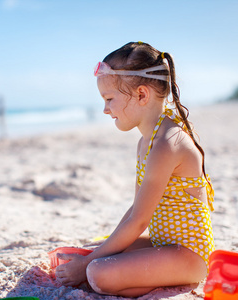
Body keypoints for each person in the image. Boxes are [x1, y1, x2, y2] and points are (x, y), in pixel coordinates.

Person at [55, 41, 215, 297]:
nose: (105, 109)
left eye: (109, 99)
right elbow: (136, 210)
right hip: (165, 245)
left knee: (97, 272)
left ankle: (170, 283)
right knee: (93, 250)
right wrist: (95, 252)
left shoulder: (167, 144)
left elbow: (139, 221)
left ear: (141, 95)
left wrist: (87, 264)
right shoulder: (145, 142)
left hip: (189, 256)